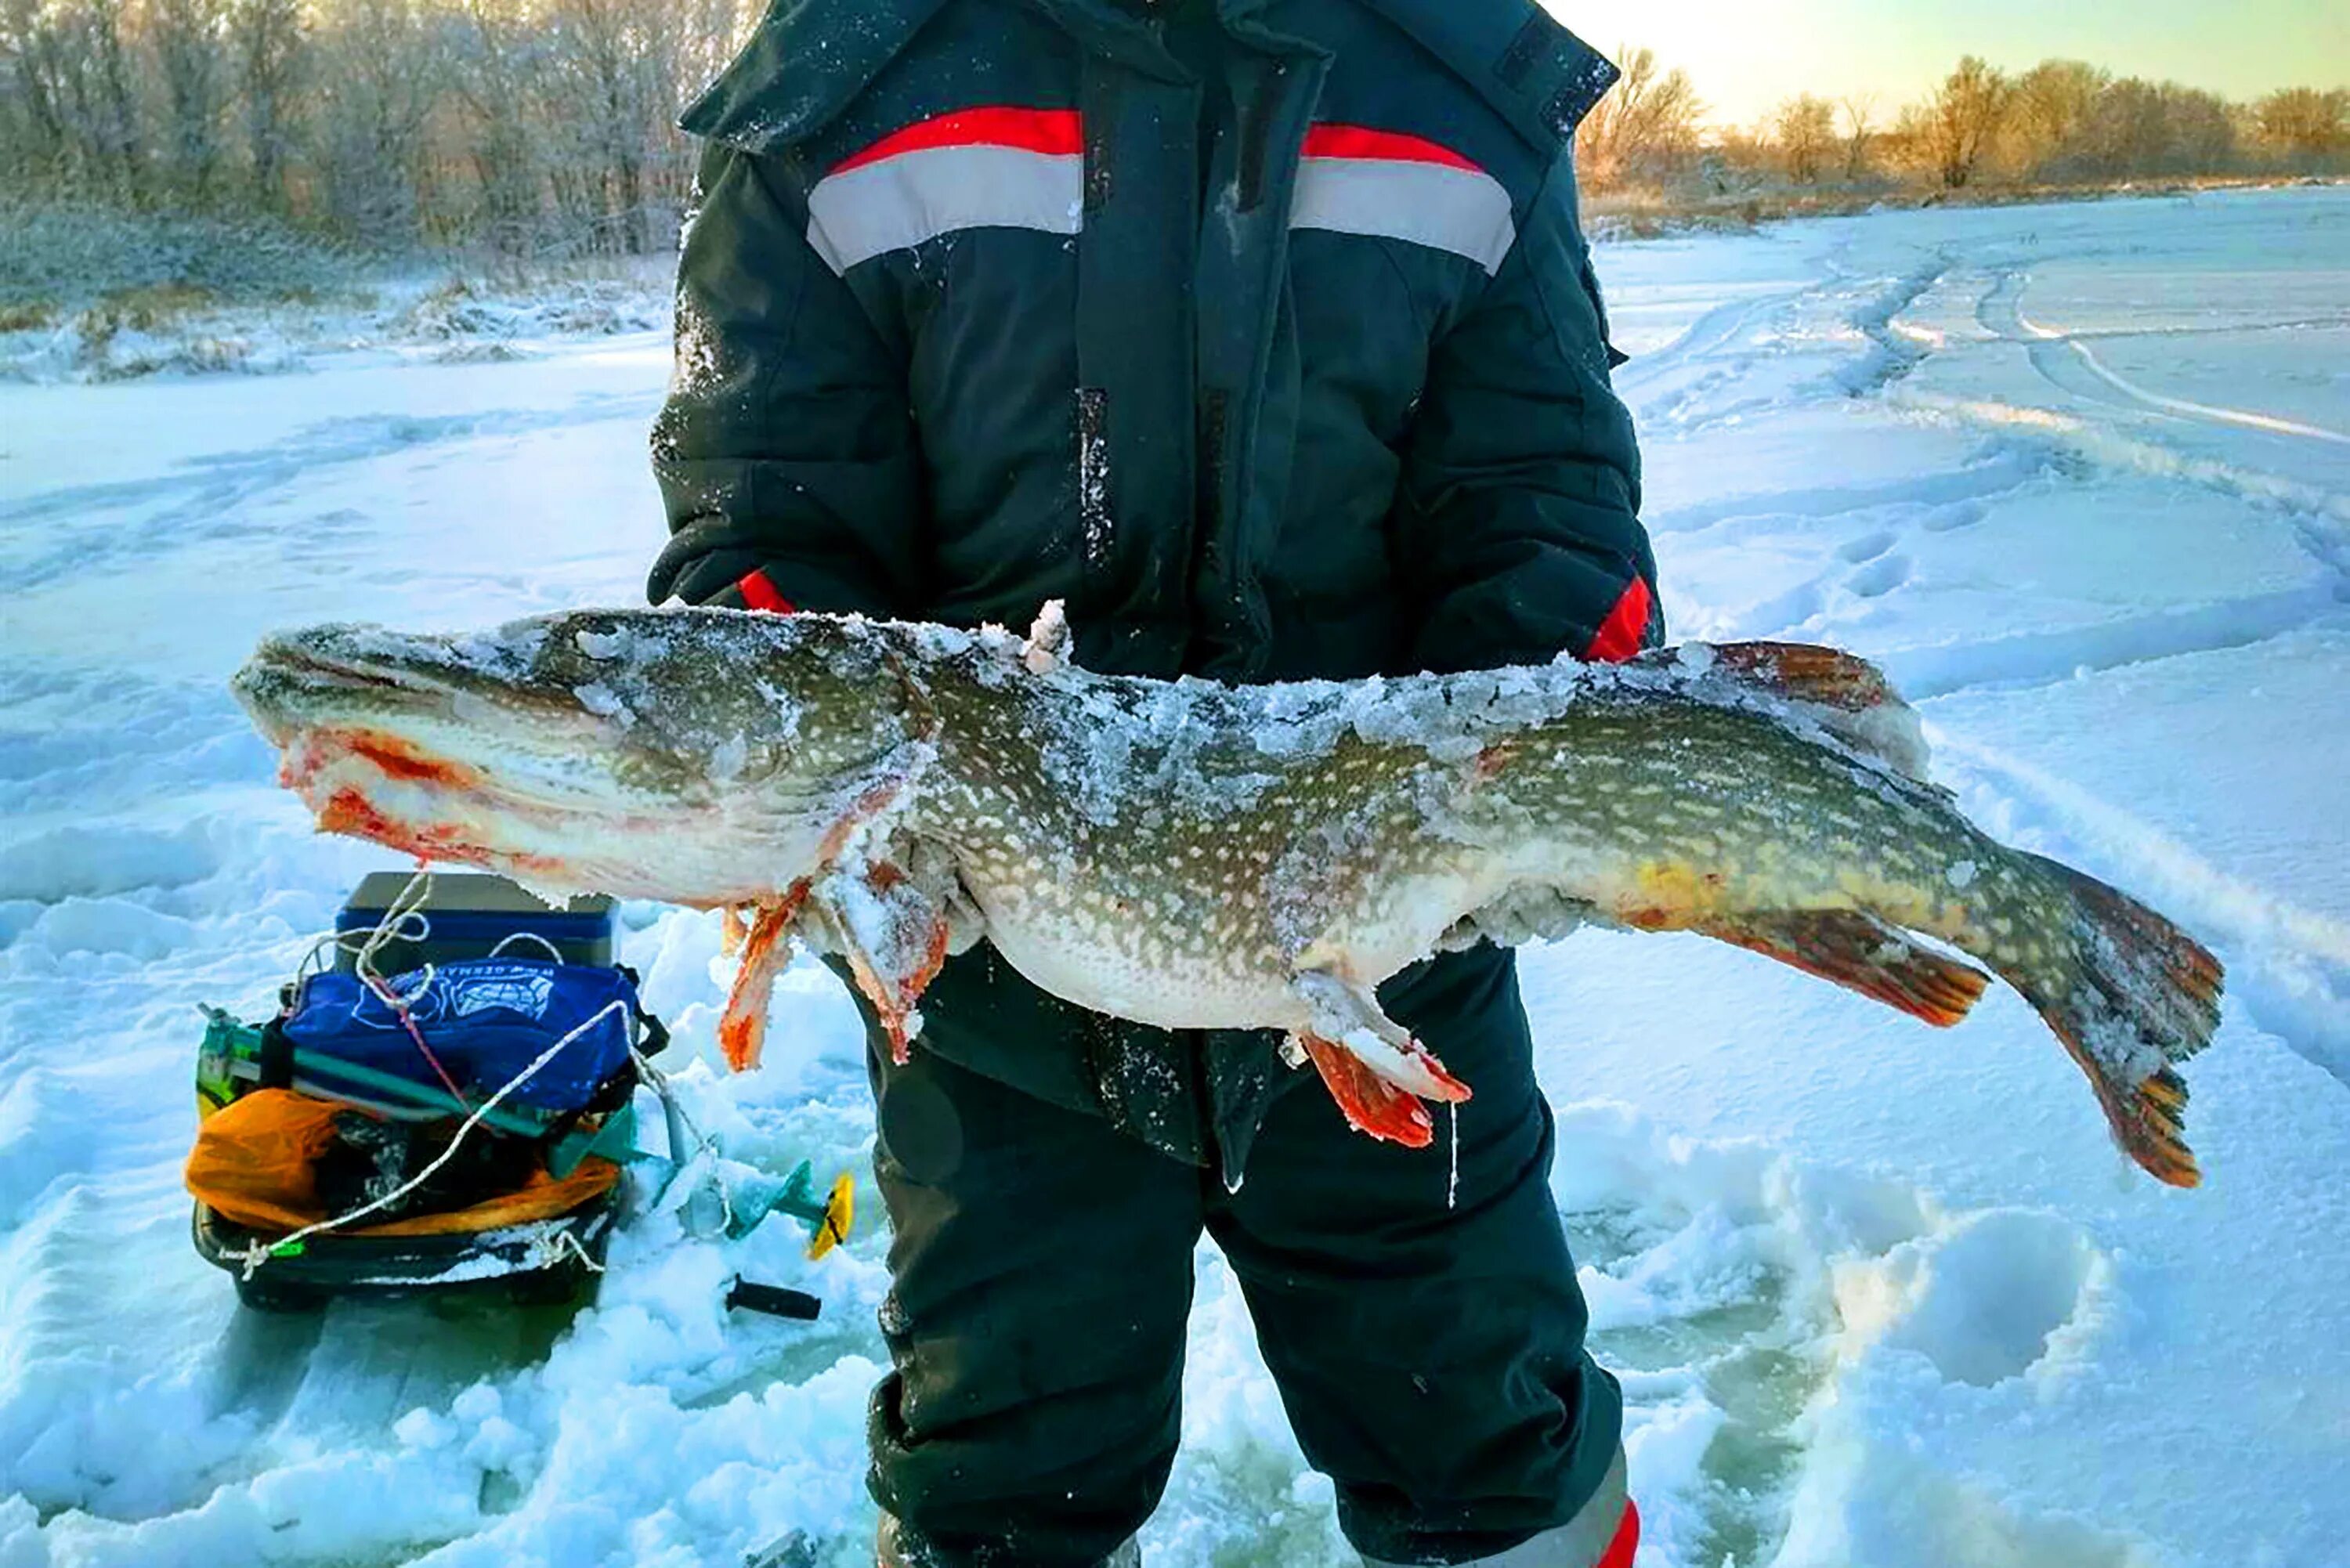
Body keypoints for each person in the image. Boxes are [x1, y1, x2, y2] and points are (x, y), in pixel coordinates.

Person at [649, 2, 1658, 1563]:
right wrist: (850, 817)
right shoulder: (846, 78)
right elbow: (759, 529)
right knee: (1004, 1503)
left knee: (1497, 1461)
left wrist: (1519, 783)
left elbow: (1544, 504)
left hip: (1389, 967)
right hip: (998, 991)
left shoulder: (1457, 75)